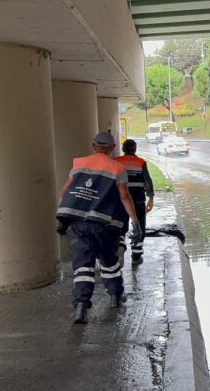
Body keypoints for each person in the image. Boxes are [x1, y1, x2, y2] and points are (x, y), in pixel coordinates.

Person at [56, 132, 142, 324]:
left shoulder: (78, 163)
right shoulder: (117, 168)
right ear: (111, 148)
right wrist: (135, 222)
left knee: (83, 266)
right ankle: (115, 296)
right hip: (104, 224)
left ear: (94, 145)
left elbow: (65, 192)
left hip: (79, 224)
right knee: (109, 262)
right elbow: (124, 197)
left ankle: (81, 305)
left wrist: (61, 217)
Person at [115, 139, 154, 266]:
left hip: (121, 198)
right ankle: (136, 257)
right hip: (138, 198)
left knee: (121, 224)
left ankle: (120, 245)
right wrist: (151, 198)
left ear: (123, 149)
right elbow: (147, 181)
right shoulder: (140, 162)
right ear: (135, 149)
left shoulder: (116, 161)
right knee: (140, 225)